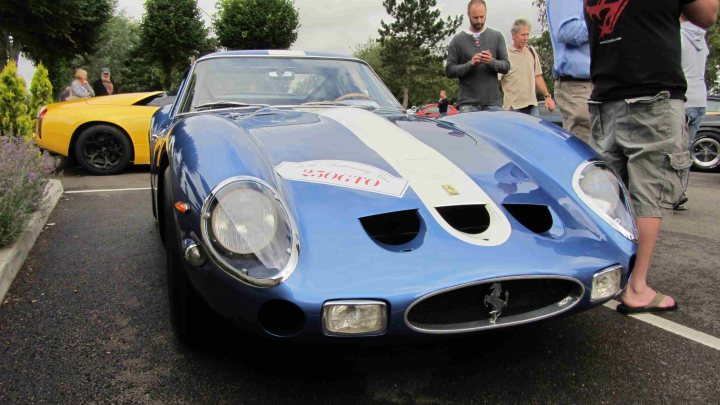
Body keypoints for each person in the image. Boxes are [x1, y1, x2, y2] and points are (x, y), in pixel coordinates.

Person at [584, 0, 717, 314]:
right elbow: (707, 14)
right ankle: (636, 287)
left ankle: (607, 277)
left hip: (605, 92)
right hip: (651, 90)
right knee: (649, 191)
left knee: (608, 195)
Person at [446, 0, 510, 112]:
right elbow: (449, 70)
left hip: (493, 104)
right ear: (468, 14)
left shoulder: (497, 36)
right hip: (468, 105)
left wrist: (491, 61)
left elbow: (506, 66)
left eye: (482, 16)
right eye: (475, 18)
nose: (479, 21)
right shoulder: (458, 40)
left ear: (486, 13)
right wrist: (470, 65)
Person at [676, 14, 710, 211]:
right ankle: (681, 192)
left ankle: (673, 195)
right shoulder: (701, 39)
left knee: (673, 150)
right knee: (686, 149)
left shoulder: (677, 36)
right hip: (701, 98)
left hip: (683, 97)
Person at [547, 0, 592, 142]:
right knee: (588, 155)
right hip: (579, 87)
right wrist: (604, 24)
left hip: (591, 85)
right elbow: (566, 30)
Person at [499, 18, 556, 117]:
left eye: (527, 34)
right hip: (513, 107)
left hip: (532, 105)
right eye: (522, 35)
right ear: (513, 35)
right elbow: (495, 79)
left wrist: (547, 96)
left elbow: (537, 76)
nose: (526, 38)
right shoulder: (505, 55)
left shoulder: (531, 51)